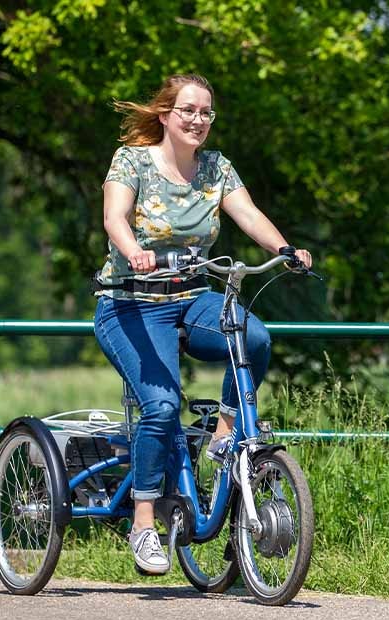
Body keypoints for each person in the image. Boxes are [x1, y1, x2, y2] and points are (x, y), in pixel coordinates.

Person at [92, 74, 313, 575]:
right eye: (188, 110)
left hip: (192, 298)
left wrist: (283, 250)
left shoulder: (216, 167)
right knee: (163, 407)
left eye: (206, 112)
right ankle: (144, 522)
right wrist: (134, 253)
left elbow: (248, 215)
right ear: (166, 114)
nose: (197, 120)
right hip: (130, 303)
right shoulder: (131, 159)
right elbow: (115, 218)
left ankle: (226, 433)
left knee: (254, 338)